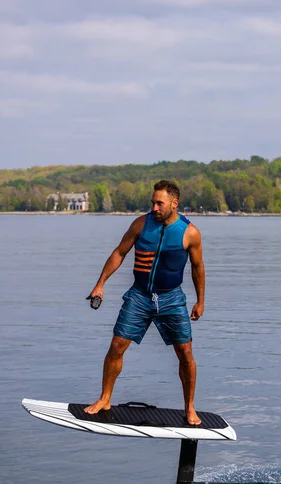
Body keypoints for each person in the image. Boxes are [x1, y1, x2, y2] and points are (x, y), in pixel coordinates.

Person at [85, 179, 205, 425]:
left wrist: (200, 301)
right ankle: (105, 398)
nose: (154, 208)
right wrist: (100, 284)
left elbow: (197, 268)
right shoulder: (141, 224)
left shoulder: (189, 232)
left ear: (174, 203)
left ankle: (190, 407)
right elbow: (119, 253)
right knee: (117, 346)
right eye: (153, 203)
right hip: (139, 295)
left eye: (159, 203)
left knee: (185, 353)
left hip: (172, 298)